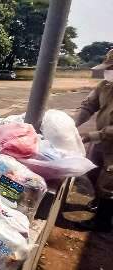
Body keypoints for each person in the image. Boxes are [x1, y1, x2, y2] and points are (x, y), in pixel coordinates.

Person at [75, 49, 113, 232]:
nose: (109, 72)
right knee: (92, 171)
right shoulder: (105, 85)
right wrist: (72, 125)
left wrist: (92, 136)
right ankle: (99, 202)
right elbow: (89, 105)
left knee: (108, 182)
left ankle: (103, 222)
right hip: (101, 142)